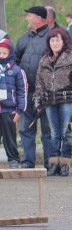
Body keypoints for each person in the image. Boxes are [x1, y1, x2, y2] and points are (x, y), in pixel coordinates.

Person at [33, 28, 72, 177]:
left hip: (67, 100)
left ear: (64, 42)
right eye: (52, 40)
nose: (55, 43)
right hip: (49, 101)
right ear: (48, 43)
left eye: (57, 40)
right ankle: (53, 163)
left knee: (65, 132)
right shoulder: (44, 60)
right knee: (53, 134)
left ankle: (64, 164)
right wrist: (37, 100)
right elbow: (39, 83)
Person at [15, 6, 51, 169]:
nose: (26, 18)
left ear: (38, 18)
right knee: (25, 129)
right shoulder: (24, 39)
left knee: (48, 130)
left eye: (29, 16)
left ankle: (49, 164)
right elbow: (15, 61)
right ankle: (28, 163)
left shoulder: (52, 37)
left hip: (47, 94)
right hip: (27, 92)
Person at [0, 37, 27, 169]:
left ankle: (13, 160)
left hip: (8, 110)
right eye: (0, 53)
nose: (2, 56)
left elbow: (22, 91)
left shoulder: (17, 70)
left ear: (10, 54)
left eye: (4, 53)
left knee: (9, 137)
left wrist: (20, 110)